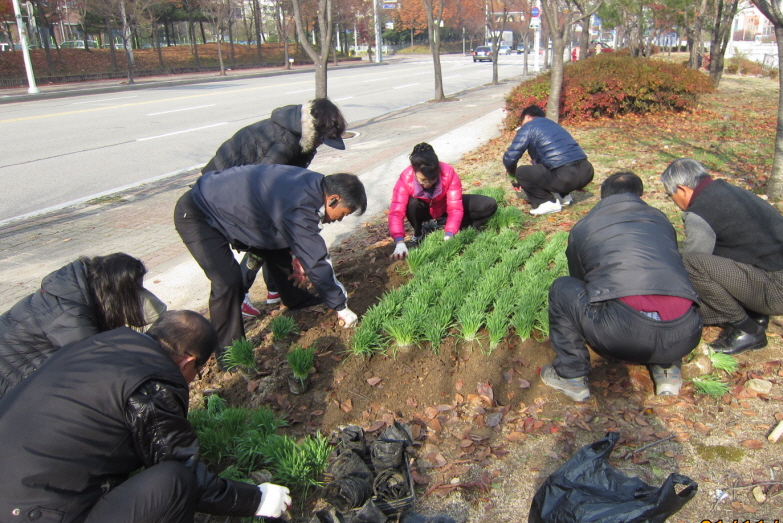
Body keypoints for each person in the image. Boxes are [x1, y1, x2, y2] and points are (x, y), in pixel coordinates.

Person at [0, 310, 291, 523]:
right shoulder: (151, 386)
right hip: (36, 512)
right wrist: (258, 499)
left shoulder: (98, 346)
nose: (193, 379)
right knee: (173, 483)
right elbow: (184, 471)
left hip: (15, 490)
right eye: (197, 372)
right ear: (188, 361)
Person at [174, 164, 366, 360]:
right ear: (333, 199)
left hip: (238, 212)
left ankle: (297, 299)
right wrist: (340, 306)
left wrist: (297, 252)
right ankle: (230, 354)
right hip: (198, 213)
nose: (340, 220)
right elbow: (317, 260)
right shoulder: (302, 203)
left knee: (278, 246)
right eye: (343, 214)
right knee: (227, 281)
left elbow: (291, 227)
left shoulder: (315, 184)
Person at [541, 172, 702, 401]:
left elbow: (582, 280)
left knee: (562, 288)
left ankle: (571, 377)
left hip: (623, 335)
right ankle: (667, 370)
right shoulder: (661, 219)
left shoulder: (585, 226)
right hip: (685, 334)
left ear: (603, 196)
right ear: (639, 195)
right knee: (667, 287)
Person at [202, 98, 348, 316]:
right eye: (322, 139)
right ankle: (239, 297)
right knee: (261, 243)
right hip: (226, 190)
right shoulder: (284, 143)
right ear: (315, 130)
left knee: (278, 241)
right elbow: (261, 185)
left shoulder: (303, 139)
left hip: (253, 189)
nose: (321, 145)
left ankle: (285, 295)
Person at [0, 252, 166, 400]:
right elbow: (101, 372)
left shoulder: (79, 289)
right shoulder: (71, 316)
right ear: (113, 292)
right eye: (133, 291)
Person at [661, 158, 783, 354]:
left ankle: (747, 330)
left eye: (670, 195)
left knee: (689, 264)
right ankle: (756, 315)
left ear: (682, 189)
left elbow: (693, 263)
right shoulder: (730, 191)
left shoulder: (700, 212)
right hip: (772, 273)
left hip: (776, 290)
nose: (672, 201)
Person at [388, 143, 498, 259]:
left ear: (437, 170)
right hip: (422, 210)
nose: (428, 184)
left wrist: (450, 233)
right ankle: (419, 233)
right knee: (412, 203)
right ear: (414, 172)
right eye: (423, 180)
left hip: (443, 207)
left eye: (432, 179)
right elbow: (396, 212)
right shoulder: (406, 178)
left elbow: (455, 207)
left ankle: (448, 226)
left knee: (488, 205)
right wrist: (399, 241)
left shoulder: (448, 173)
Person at [502, 104, 594, 215]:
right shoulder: (553, 125)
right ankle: (564, 197)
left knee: (522, 172)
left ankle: (546, 203)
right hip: (587, 172)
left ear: (527, 117)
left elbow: (510, 157)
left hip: (565, 177)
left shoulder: (528, 126)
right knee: (548, 167)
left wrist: (513, 175)